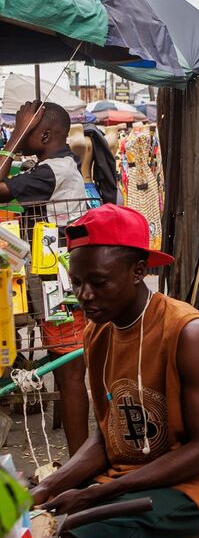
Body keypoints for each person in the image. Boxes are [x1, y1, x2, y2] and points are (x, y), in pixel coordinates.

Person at [31, 204, 199, 538]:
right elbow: (108, 436)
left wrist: (94, 493)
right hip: (136, 470)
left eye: (99, 282)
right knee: (43, 530)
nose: (84, 295)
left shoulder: (189, 333)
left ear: (139, 272)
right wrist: (48, 487)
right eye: (76, 283)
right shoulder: (98, 332)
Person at [0, 101, 90, 454]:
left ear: (45, 135)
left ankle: (79, 462)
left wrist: (13, 140)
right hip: (54, 277)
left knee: (69, 373)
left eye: (24, 129)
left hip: (60, 284)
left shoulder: (55, 171)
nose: (17, 133)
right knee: (68, 368)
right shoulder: (48, 167)